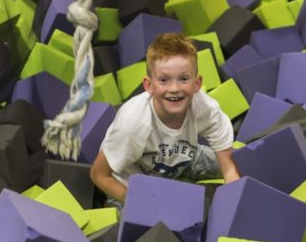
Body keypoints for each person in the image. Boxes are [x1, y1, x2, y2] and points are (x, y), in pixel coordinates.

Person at [90, 32, 241, 207]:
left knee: (241, 166)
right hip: (133, 182)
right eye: (164, 80)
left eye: (184, 79)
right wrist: (138, 202)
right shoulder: (133, 123)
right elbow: (98, 174)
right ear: (149, 85)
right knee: (150, 227)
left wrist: (231, 209)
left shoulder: (207, 110)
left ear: (197, 84)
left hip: (182, 159)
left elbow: (229, 170)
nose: (174, 88)